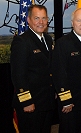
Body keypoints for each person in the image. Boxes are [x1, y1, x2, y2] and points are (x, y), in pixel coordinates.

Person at [10, 4, 55, 133]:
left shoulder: (48, 39)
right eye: (37, 18)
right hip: (31, 104)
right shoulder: (22, 42)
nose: (41, 22)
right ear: (28, 20)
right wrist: (26, 101)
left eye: (44, 18)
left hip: (46, 101)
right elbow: (18, 75)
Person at [52, 8, 81, 133]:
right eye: (79, 21)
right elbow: (59, 73)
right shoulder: (63, 43)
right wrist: (66, 100)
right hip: (71, 103)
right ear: (72, 23)